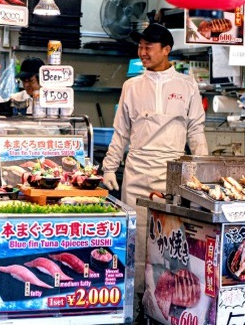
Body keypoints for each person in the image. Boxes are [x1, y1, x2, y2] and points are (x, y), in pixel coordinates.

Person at [101, 23, 208, 312]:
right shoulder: (131, 85)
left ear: (166, 50)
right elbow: (120, 132)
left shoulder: (187, 85)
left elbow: (196, 132)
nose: (143, 52)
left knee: (168, 243)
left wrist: (202, 173)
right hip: (136, 172)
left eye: (149, 47)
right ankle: (134, 306)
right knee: (136, 241)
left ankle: (164, 306)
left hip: (173, 175)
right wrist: (109, 167)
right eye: (140, 47)